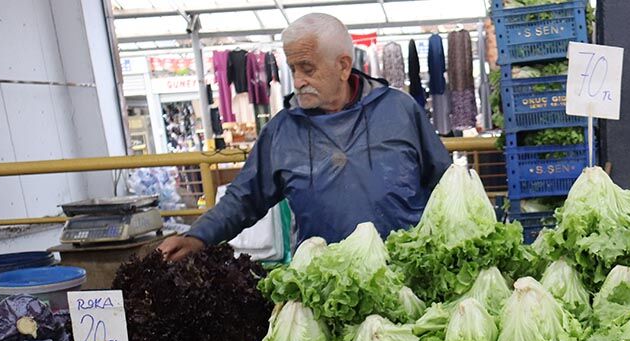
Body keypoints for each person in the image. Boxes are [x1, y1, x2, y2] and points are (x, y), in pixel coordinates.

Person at [159, 13, 451, 261]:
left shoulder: (399, 110)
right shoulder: (282, 131)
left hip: (405, 276)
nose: (298, 81)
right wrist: (198, 237)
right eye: (293, 69)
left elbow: (446, 184)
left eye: (307, 69)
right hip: (327, 284)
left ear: (343, 66)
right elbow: (242, 199)